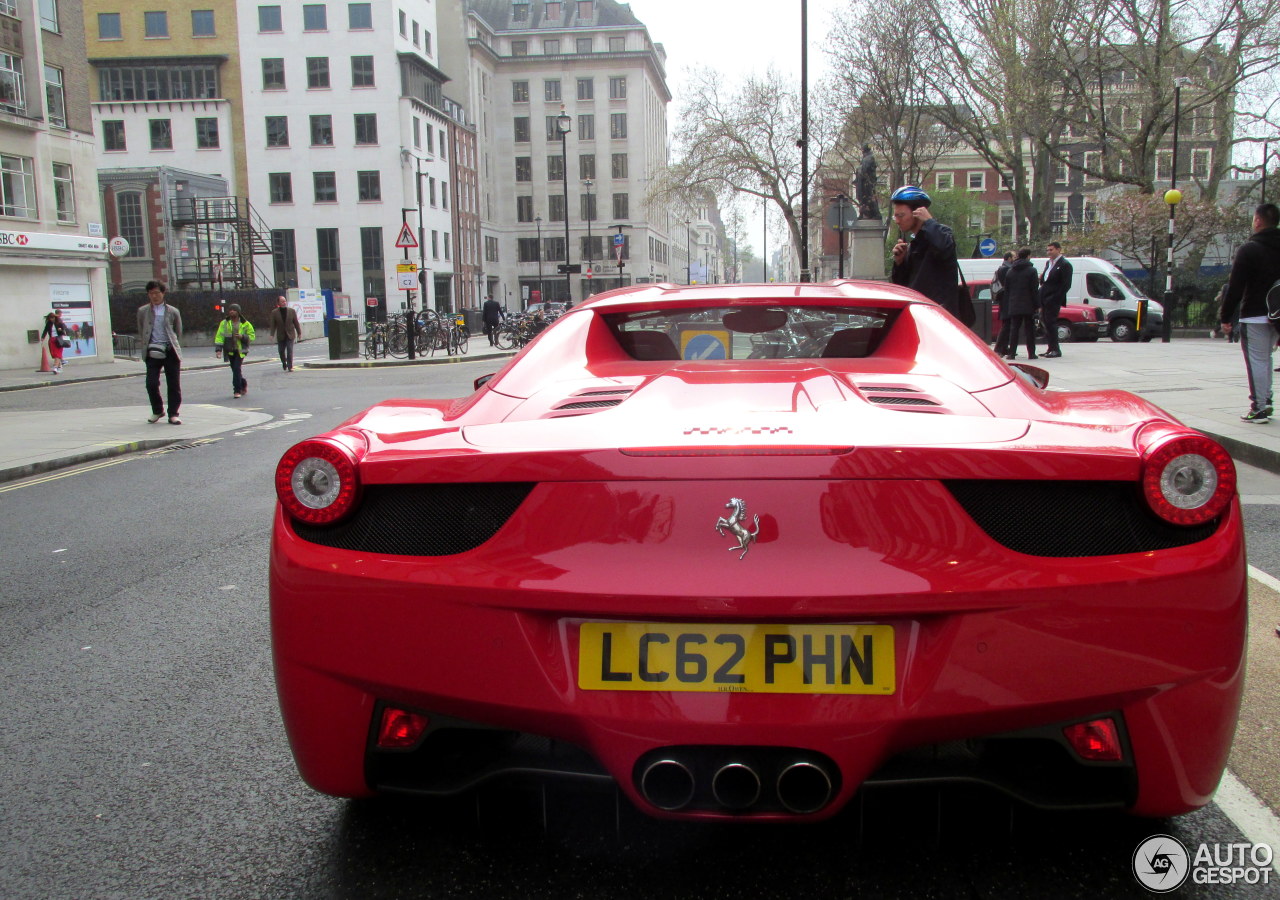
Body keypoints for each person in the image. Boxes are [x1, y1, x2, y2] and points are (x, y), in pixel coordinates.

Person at [1219, 202, 1280, 423]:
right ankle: (1267, 399)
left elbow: (1235, 287)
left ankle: (1259, 407)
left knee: (1257, 359)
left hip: (1255, 312)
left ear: (1258, 221)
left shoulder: (1249, 249)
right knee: (1266, 358)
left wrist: (1226, 317)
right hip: (1278, 314)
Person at [889, 185, 960, 316]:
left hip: (938, 316)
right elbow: (904, 287)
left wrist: (929, 222)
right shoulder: (913, 244)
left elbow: (944, 248)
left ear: (919, 212)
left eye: (901, 215)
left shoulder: (941, 234)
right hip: (919, 314)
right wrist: (900, 263)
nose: (897, 221)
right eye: (895, 216)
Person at [137, 281, 183, 425]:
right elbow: (141, 330)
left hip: (170, 351)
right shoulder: (142, 311)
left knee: (173, 384)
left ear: (163, 293)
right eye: (151, 293)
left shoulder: (173, 311)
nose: (154, 296)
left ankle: (173, 413)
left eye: (157, 293)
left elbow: (178, 331)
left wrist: (172, 345)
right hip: (152, 351)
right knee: (151, 383)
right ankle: (158, 410)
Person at [1001, 248, 1040, 360]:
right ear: (1028, 256)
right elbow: (1034, 289)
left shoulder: (1010, 271)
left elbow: (1006, 289)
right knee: (1029, 330)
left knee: (1014, 329)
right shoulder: (1032, 270)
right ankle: (1031, 353)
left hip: (1014, 303)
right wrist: (1037, 305)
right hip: (1028, 304)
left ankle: (1012, 353)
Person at [215, 303, 256, 398]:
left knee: (237, 368)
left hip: (240, 350)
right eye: (230, 310)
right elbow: (219, 336)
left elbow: (252, 336)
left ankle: (237, 390)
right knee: (235, 370)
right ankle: (243, 383)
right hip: (230, 349)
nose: (231, 311)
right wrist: (218, 350)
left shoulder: (245, 323)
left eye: (234, 310)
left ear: (238, 312)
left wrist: (242, 337)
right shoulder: (224, 323)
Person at [1039, 242, 1072, 358]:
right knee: (1045, 322)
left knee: (1051, 322)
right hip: (1044, 296)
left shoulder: (1065, 264)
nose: (1049, 252)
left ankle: (1056, 349)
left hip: (1053, 298)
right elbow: (1045, 279)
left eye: (1051, 250)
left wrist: (1055, 298)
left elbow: (1066, 284)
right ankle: (1050, 347)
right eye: (1047, 250)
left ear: (1058, 250)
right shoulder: (1049, 263)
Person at [267, 295, 302, 371]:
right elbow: (273, 325)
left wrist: (299, 333)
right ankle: (284, 362)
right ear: (278, 303)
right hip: (281, 335)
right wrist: (271, 334)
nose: (284, 303)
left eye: (285, 301)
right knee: (281, 351)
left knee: (290, 350)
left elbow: (296, 323)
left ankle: (290, 366)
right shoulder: (274, 312)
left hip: (290, 334)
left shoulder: (291, 311)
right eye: (282, 301)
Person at [991, 252, 1016, 355]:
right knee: (1006, 325)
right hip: (1006, 300)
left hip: (1003, 300)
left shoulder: (1002, 268)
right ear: (1009, 258)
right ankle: (999, 348)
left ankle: (1003, 347)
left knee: (1007, 324)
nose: (1015, 259)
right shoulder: (1006, 269)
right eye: (1014, 257)